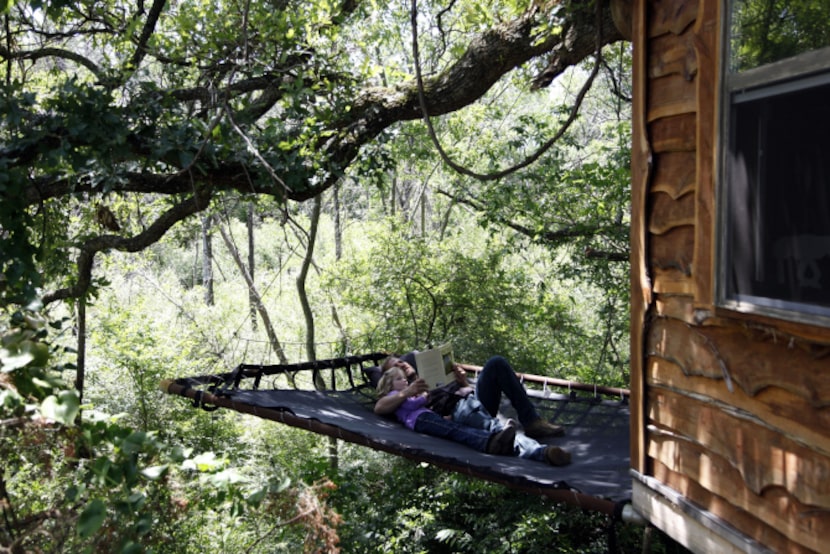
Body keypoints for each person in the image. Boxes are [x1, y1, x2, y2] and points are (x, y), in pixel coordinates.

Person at [374, 356, 571, 466]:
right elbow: (380, 407)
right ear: (391, 377)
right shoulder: (406, 392)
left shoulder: (428, 373)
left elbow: (463, 389)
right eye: (396, 366)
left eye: (400, 360)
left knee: (496, 363)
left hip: (472, 398)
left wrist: (462, 380)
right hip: (460, 409)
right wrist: (408, 391)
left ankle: (532, 422)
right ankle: (542, 452)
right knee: (495, 429)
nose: (401, 363)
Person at [376, 367, 517, 455]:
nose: (405, 381)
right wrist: (424, 396)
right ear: (389, 384)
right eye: (399, 379)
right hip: (420, 420)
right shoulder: (393, 395)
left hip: (425, 418)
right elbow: (412, 405)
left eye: (405, 378)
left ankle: (495, 439)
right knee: (455, 431)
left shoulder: (403, 395)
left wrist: (442, 419)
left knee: (453, 429)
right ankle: (489, 441)